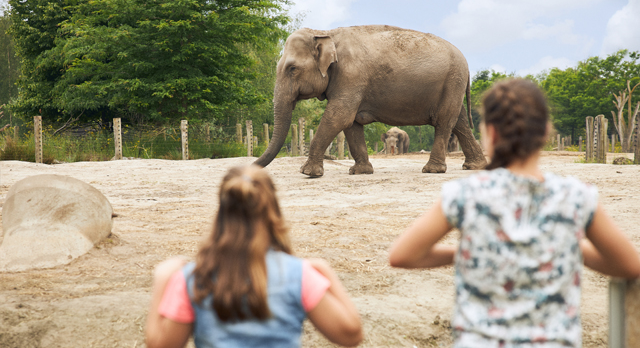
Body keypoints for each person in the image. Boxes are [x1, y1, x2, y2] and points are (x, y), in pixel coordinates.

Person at [389, 78, 640, 347]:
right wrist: (558, 246)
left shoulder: (465, 194)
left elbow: (402, 255)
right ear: (545, 132)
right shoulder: (576, 196)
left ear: (490, 134)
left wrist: (474, 250)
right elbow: (629, 265)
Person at [145, 165, 362, 348]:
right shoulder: (298, 275)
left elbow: (160, 345)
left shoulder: (193, 279)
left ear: (221, 213)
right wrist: (324, 269)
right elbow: (351, 334)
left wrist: (163, 280)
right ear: (274, 212)